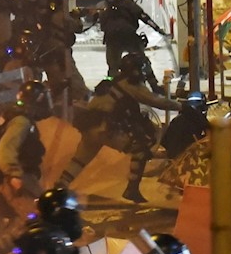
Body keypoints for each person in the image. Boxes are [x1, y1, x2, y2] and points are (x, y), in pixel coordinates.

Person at [63, 52, 178, 202]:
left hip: (90, 127)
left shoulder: (112, 83)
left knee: (79, 161)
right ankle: (132, 189)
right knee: (140, 150)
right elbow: (156, 101)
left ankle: (60, 187)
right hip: (107, 128)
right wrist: (181, 106)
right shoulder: (132, 85)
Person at [0, 80, 48, 225]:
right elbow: (4, 150)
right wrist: (13, 175)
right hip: (18, 177)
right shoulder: (21, 121)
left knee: (36, 217)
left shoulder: (15, 115)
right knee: (38, 219)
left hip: (20, 175)